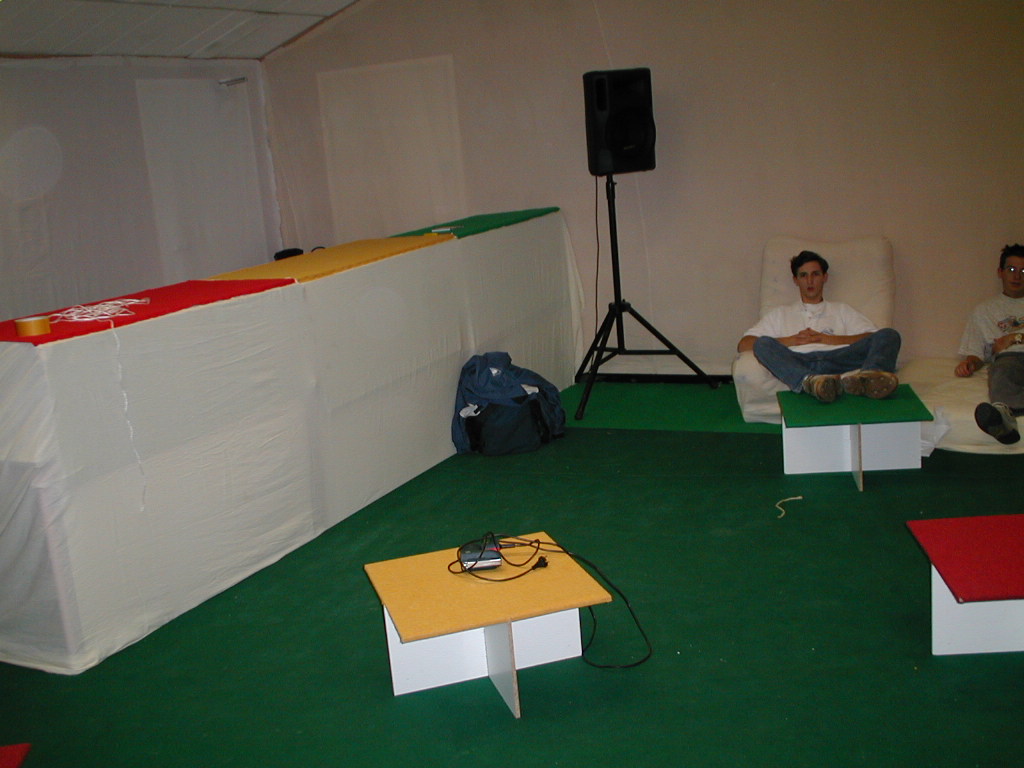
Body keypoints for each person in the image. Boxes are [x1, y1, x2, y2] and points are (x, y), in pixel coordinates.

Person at [737, 250, 901, 403]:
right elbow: (744, 344)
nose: (810, 281)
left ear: (824, 277)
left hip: (839, 359)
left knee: (890, 335)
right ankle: (809, 382)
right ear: (796, 280)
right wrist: (792, 340)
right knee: (762, 343)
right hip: (798, 361)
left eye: (815, 274)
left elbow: (874, 337)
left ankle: (870, 379)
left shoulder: (841, 310)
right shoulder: (780, 313)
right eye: (803, 275)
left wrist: (829, 339)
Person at [955, 243, 1024, 445]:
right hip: (1008, 360)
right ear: (1000, 272)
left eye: (1023, 271)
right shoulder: (984, 310)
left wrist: (1015, 338)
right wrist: (969, 364)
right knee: (1001, 370)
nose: (1017, 276)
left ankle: (1007, 414)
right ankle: (1003, 419)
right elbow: (977, 354)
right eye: (1011, 269)